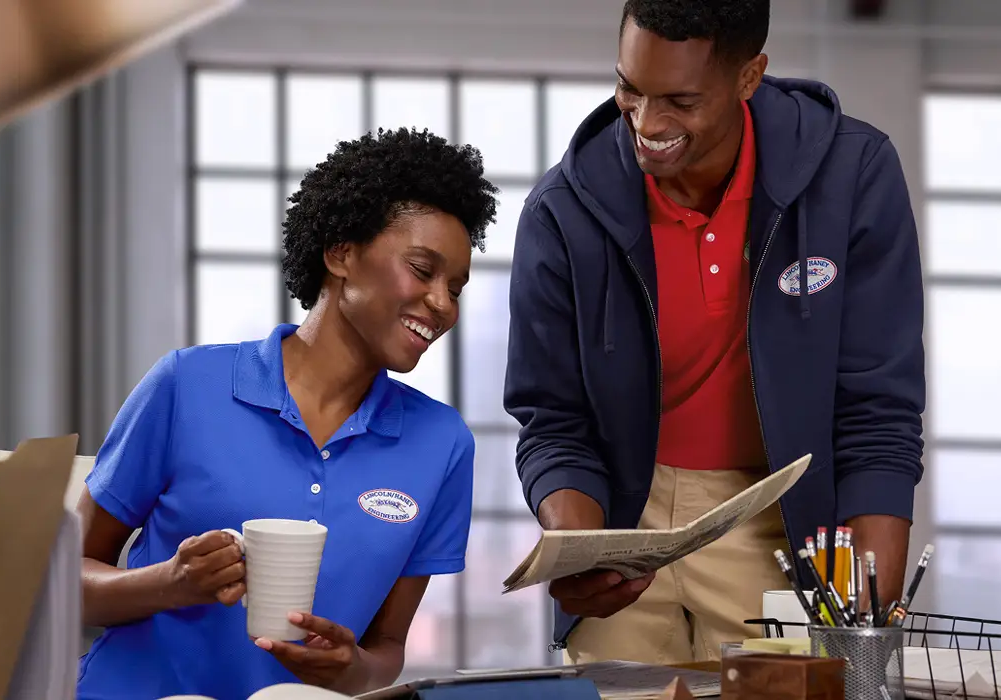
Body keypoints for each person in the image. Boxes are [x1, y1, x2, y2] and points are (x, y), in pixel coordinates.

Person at [506, 0, 925, 664]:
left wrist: (864, 612)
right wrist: (581, 554)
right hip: (622, 522)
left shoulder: (854, 176)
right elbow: (553, 416)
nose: (647, 123)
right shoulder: (561, 212)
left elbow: (878, 410)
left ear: (749, 76)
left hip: (777, 522)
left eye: (680, 101)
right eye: (630, 88)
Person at [74, 128, 495, 699]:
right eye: (423, 270)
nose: (443, 304)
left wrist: (350, 670)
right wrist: (171, 583)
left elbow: (387, 647)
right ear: (340, 253)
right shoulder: (187, 386)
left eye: (456, 287)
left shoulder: (441, 445)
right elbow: (66, 582)